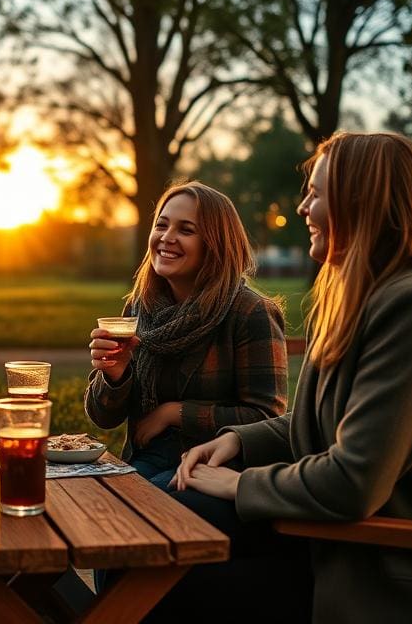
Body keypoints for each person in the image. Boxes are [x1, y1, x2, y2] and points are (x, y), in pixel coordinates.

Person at [169, 132, 412, 624]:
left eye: (317, 193)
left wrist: (239, 485)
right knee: (161, 518)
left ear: (363, 201)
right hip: (329, 540)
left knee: (157, 569)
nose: (303, 207)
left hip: (383, 570)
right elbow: (326, 418)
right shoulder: (369, 294)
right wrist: (240, 441)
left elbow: (353, 481)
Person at [85, 180, 288, 489]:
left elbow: (266, 419)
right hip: (148, 458)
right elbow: (104, 418)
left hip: (217, 466)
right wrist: (115, 375)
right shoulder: (141, 308)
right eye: (161, 225)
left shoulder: (249, 312)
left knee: (147, 506)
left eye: (186, 230)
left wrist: (175, 413)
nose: (167, 237)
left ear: (215, 244)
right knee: (95, 500)